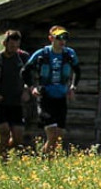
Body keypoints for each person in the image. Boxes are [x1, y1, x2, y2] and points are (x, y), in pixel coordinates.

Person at [23, 26, 80, 157]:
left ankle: (47, 160)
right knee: (52, 134)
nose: (62, 41)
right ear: (51, 38)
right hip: (45, 98)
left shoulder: (69, 54)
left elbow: (77, 70)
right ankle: (45, 161)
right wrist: (32, 87)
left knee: (59, 136)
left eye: (64, 38)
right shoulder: (42, 54)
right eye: (58, 38)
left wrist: (73, 87)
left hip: (61, 98)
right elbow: (25, 71)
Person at [0, 30, 32, 162]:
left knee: (18, 139)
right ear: (5, 43)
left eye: (17, 46)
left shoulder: (23, 57)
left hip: (16, 103)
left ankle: (4, 150)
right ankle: (4, 162)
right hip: (0, 103)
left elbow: (28, 78)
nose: (14, 49)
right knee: (4, 132)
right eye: (12, 46)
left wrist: (26, 90)